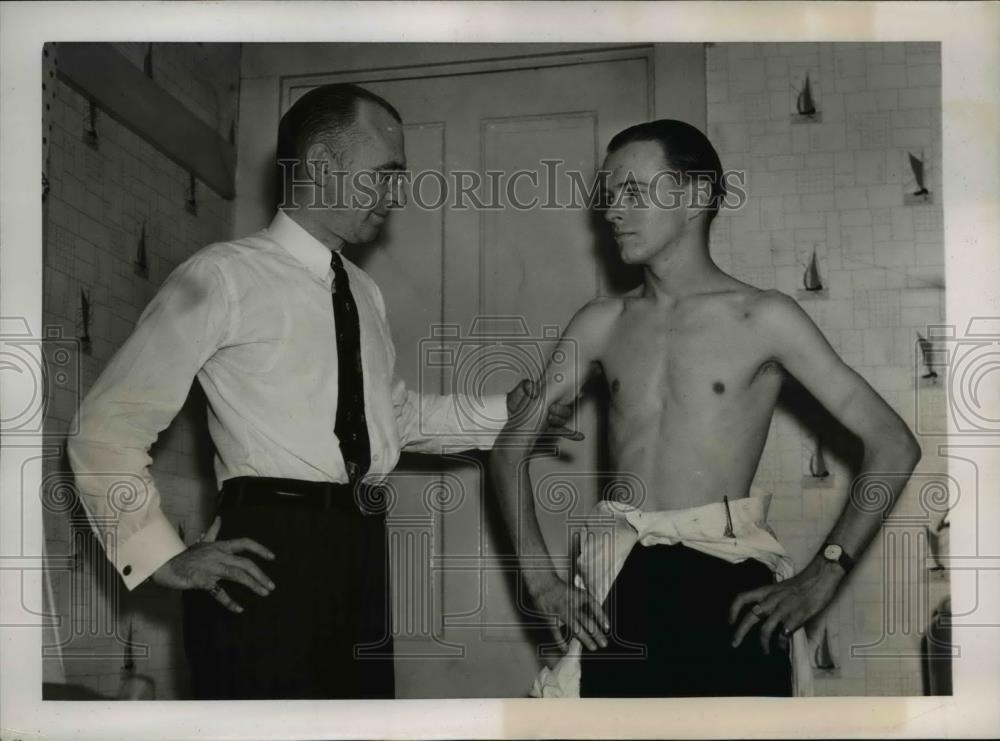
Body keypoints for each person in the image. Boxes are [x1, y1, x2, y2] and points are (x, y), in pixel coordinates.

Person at [67, 83, 578, 700]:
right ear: (319, 166)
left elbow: (395, 417)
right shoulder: (221, 275)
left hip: (361, 547)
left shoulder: (363, 291)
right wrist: (161, 556)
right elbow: (107, 425)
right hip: (265, 552)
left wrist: (509, 414)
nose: (397, 194)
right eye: (384, 174)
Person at [489, 119, 922, 697]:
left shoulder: (763, 317)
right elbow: (509, 447)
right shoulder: (601, 322)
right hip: (621, 578)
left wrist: (826, 574)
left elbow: (893, 442)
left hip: (730, 583)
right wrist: (539, 576)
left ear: (695, 196)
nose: (613, 211)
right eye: (609, 195)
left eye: (634, 192)